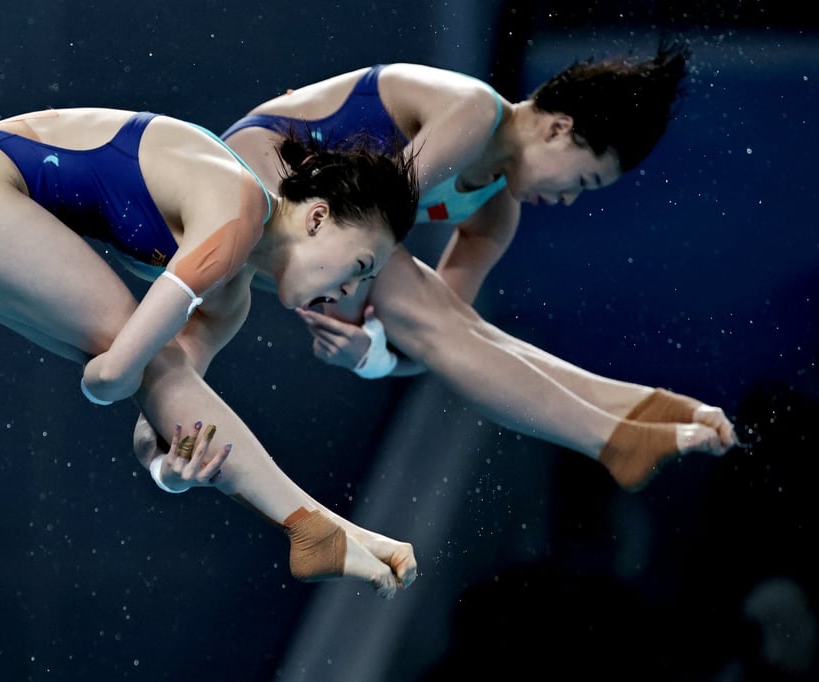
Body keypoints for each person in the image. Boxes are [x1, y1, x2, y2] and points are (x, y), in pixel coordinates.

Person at [0, 106, 419, 597]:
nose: (351, 293)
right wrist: (116, 375)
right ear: (318, 218)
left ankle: (327, 531)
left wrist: (168, 472)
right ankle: (317, 530)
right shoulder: (236, 209)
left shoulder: (227, 299)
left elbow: (161, 418)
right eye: (360, 266)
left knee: (157, 368)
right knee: (144, 358)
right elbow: (110, 380)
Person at [217, 41, 738, 491]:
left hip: (324, 226)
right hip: (253, 174)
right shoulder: (471, 111)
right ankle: (608, 437)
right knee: (415, 297)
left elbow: (440, 343)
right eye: (582, 183)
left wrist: (371, 355)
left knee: (455, 320)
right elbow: (370, 258)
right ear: (558, 128)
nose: (568, 201)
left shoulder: (494, 212)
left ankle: (632, 405)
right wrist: (366, 334)